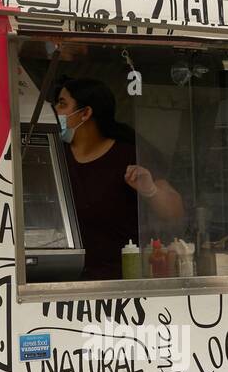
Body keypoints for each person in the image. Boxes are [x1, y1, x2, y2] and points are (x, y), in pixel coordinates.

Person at [53, 78, 184, 279]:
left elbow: (174, 212)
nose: (55, 110)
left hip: (117, 283)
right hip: (62, 279)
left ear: (85, 113)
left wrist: (151, 190)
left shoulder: (128, 155)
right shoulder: (55, 153)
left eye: (62, 104)